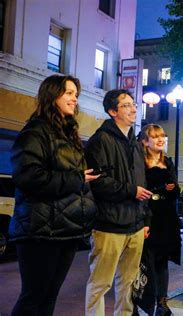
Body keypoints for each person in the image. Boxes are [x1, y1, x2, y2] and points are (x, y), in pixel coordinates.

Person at [8, 75, 98, 315]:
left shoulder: (68, 134)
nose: (74, 98)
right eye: (68, 93)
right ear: (52, 95)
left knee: (49, 298)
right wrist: (77, 179)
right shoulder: (35, 131)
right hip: (39, 230)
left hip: (65, 229)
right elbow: (28, 176)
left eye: (75, 94)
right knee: (34, 297)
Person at [84, 89, 153, 315]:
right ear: (112, 111)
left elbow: (143, 183)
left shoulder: (135, 143)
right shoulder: (99, 140)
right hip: (108, 224)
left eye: (133, 104)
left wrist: (145, 219)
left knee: (128, 284)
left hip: (135, 225)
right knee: (100, 284)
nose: (133, 108)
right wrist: (131, 191)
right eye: (126, 105)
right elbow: (98, 183)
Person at [139, 124, 181, 316]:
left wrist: (172, 189)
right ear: (145, 141)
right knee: (144, 261)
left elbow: (176, 192)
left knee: (162, 262)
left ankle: (162, 303)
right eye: (155, 136)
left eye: (163, 136)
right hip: (148, 215)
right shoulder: (139, 160)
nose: (161, 139)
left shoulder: (168, 161)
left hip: (166, 217)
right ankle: (139, 302)